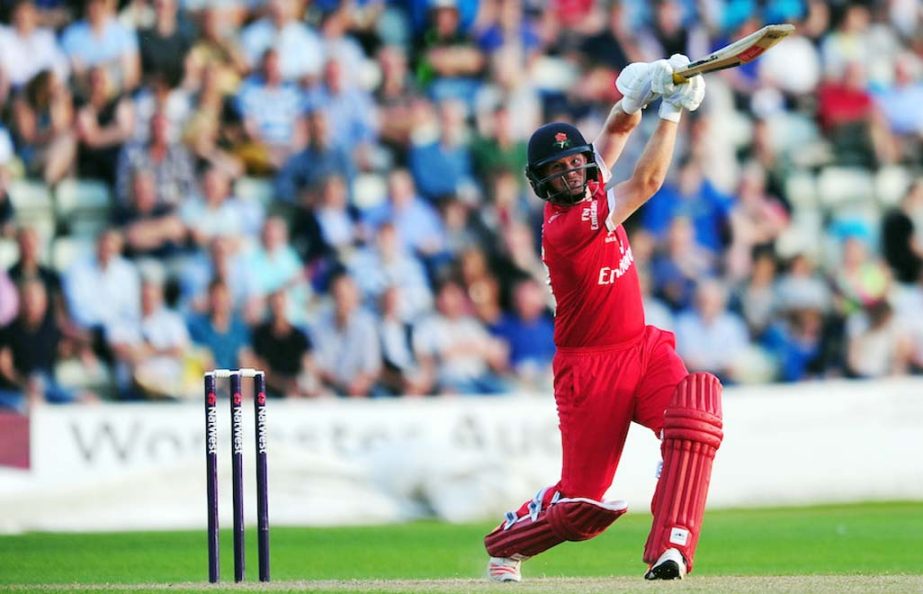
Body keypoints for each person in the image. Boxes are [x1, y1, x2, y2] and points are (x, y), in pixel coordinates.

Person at [483, 56, 722, 583]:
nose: (571, 173)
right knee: (583, 504)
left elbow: (612, 133)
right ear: (541, 184)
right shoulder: (567, 228)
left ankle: (672, 549)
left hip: (641, 348)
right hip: (589, 372)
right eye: (557, 171)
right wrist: (674, 111)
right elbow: (651, 180)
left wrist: (635, 97)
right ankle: (506, 541)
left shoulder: (589, 184)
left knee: (694, 417)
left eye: (575, 164)